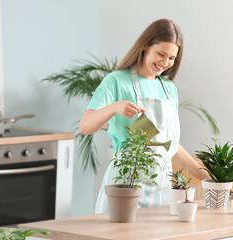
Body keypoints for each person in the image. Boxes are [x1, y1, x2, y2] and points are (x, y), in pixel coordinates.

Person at [79, 19, 210, 213]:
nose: (165, 63)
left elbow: (171, 146)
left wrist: (211, 179)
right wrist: (115, 107)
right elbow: (85, 127)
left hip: (162, 189)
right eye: (161, 54)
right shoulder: (116, 81)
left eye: (172, 58)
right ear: (146, 45)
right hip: (125, 185)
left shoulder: (168, 89)